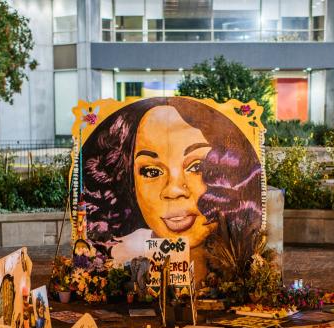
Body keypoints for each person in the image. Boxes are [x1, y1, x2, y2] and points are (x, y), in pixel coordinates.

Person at [80, 96, 264, 271]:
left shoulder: (244, 264)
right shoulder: (119, 254)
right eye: (152, 171)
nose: (174, 190)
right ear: (131, 183)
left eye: (196, 166)